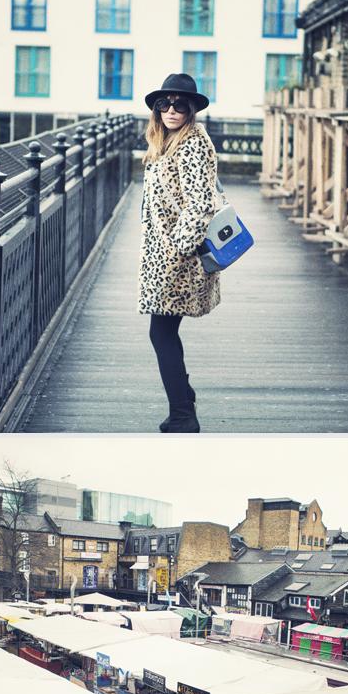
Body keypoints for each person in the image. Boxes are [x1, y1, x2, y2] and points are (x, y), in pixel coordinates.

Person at [140, 73, 223, 434]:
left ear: (191, 109)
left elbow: (200, 203)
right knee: (163, 331)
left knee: (161, 332)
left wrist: (177, 249)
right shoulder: (168, 141)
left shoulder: (191, 145)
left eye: (180, 104)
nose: (171, 110)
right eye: (164, 104)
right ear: (157, 110)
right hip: (165, 253)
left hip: (177, 258)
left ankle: (183, 414)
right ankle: (183, 403)